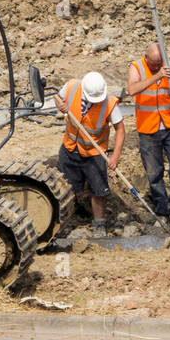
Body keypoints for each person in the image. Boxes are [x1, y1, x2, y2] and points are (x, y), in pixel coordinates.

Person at [127, 42, 170, 229]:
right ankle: (162, 210)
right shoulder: (137, 67)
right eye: (154, 63)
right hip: (148, 129)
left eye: (159, 63)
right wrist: (157, 76)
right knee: (154, 172)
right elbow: (132, 90)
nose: (157, 66)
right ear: (146, 58)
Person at [55, 71, 125, 234]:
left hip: (95, 152)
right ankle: (60, 221)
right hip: (70, 148)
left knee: (98, 190)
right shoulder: (72, 87)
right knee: (62, 187)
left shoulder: (110, 102)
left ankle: (99, 224)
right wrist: (60, 105)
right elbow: (57, 97)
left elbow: (120, 129)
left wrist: (115, 155)